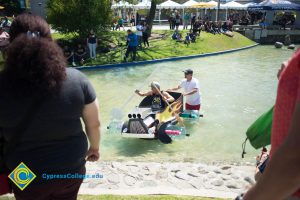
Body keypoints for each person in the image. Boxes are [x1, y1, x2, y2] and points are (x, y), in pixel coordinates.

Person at [0, 12, 100, 200]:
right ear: (50, 41)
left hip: (23, 171)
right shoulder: (77, 79)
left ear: (11, 44)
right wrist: (94, 148)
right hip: (70, 167)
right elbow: (94, 124)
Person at [240, 50, 300, 200]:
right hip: (283, 184)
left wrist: (251, 197)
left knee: (259, 175)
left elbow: (295, 157)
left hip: (288, 190)